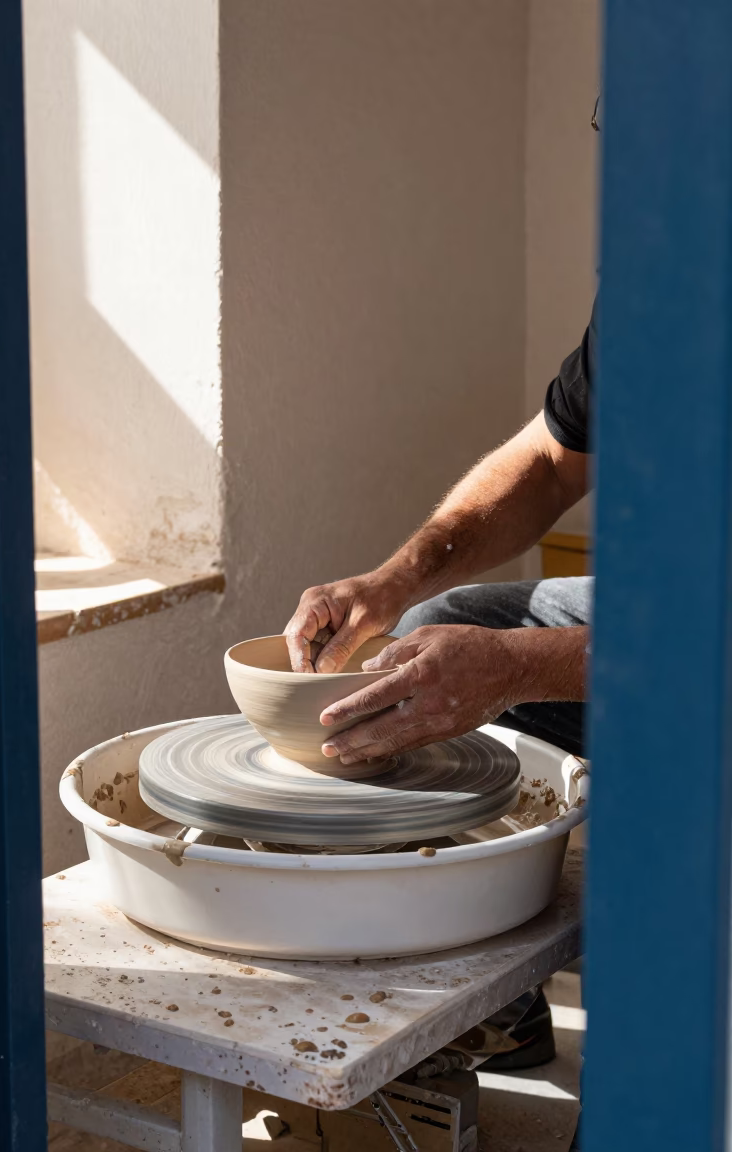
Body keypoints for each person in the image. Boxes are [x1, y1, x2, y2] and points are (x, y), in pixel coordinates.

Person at [284, 301, 595, 1152]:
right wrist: (391, 581)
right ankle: (500, 1016)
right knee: (436, 630)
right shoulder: (649, 291)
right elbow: (549, 461)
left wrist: (519, 667)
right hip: (676, 599)